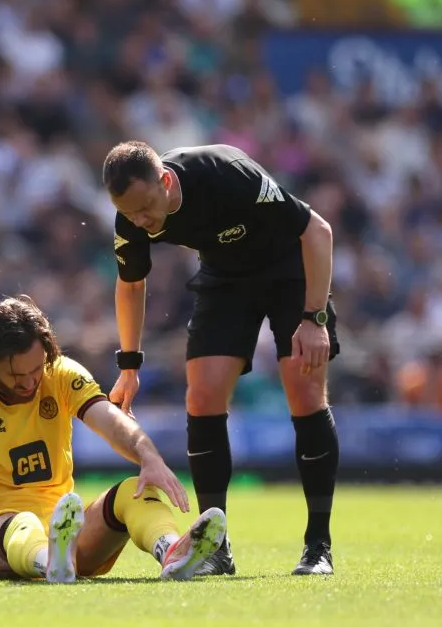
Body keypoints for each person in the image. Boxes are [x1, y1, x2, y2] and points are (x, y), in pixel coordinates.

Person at [103, 141, 339, 576]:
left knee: (304, 393)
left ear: (166, 181)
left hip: (291, 271)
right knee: (203, 396)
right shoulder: (132, 216)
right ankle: (216, 546)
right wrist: (129, 365)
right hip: (226, 279)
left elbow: (317, 231)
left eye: (145, 208)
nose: (140, 221)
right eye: (129, 213)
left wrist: (315, 318)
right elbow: (131, 285)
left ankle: (317, 545)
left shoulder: (226, 174)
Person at [0, 296, 227, 582]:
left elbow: (111, 420)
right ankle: (51, 562)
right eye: (16, 375)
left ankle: (174, 554)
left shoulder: (59, 374)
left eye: (35, 369)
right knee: (24, 523)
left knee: (130, 491)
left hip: (64, 531)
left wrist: (149, 457)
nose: (30, 382)